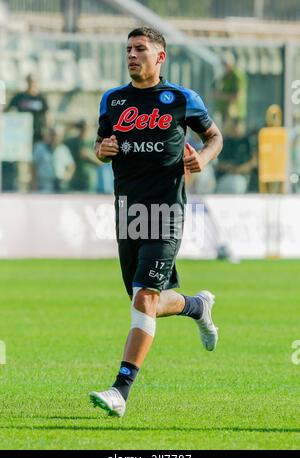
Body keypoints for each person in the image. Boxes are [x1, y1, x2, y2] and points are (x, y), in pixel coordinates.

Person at [89, 27, 223, 418]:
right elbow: (101, 145)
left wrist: (205, 157)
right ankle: (196, 306)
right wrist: (103, 150)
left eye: (140, 49)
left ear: (159, 57)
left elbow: (214, 136)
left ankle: (120, 390)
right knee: (144, 301)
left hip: (166, 211)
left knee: (144, 298)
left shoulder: (181, 99)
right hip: (128, 212)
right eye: (128, 48)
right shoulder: (112, 100)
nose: (132, 55)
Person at [216, 118, 257, 194]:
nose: (238, 129)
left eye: (241, 126)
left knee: (237, 184)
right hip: (226, 176)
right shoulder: (226, 142)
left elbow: (253, 162)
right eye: (236, 127)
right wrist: (229, 167)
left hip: (242, 177)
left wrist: (240, 169)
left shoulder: (248, 141)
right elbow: (219, 163)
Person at [33, 127, 75, 193]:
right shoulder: (40, 148)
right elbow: (34, 167)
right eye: (53, 135)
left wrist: (67, 176)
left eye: (57, 136)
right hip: (44, 184)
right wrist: (34, 183)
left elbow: (71, 166)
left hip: (60, 184)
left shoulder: (63, 149)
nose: (55, 138)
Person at [65, 119, 100, 192]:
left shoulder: (94, 142)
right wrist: (70, 127)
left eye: (86, 127)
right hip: (74, 178)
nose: (84, 129)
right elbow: (59, 142)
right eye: (81, 127)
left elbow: (100, 163)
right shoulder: (72, 141)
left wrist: (88, 156)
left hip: (89, 179)